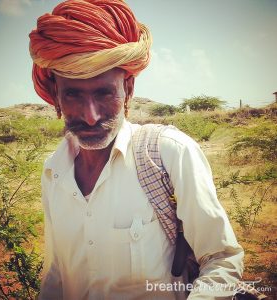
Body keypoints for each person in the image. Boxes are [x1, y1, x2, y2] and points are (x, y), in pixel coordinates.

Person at [29, 1, 244, 299]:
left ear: (127, 89)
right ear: (55, 95)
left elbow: (222, 260)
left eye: (104, 93)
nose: (90, 115)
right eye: (73, 94)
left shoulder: (168, 153)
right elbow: (57, 273)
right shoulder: (54, 170)